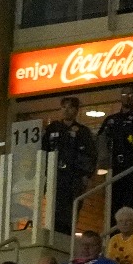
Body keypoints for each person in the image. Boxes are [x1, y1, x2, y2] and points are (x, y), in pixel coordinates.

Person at [40, 96, 92, 235]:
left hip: (73, 179)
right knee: (53, 209)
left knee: (70, 212)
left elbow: (90, 155)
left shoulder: (82, 131)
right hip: (54, 176)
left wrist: (86, 175)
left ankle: (66, 236)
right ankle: (53, 234)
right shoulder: (53, 128)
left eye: (70, 107)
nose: (66, 110)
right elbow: (43, 150)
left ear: (76, 110)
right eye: (63, 107)